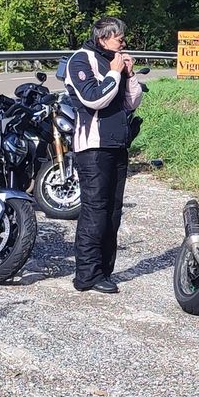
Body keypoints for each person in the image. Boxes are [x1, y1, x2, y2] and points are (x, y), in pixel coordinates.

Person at [65, 16, 144, 294]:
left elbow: (131, 102)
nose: (123, 42)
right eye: (118, 38)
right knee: (95, 212)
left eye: (123, 38)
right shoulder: (81, 60)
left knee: (113, 212)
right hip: (93, 147)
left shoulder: (118, 62)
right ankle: (86, 275)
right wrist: (113, 72)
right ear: (102, 38)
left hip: (117, 144)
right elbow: (94, 99)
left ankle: (104, 271)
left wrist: (129, 74)